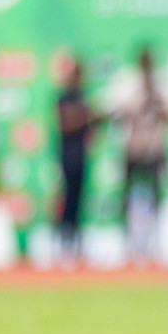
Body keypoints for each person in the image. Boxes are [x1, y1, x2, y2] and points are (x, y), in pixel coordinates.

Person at [111, 48, 168, 263]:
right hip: (133, 147)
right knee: (126, 194)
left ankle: (156, 241)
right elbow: (121, 111)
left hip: (155, 147)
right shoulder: (128, 82)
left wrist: (156, 99)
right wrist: (141, 96)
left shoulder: (163, 83)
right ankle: (128, 243)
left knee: (157, 194)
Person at [54, 59, 102, 263]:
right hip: (67, 154)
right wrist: (88, 117)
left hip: (81, 154)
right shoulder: (64, 98)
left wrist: (94, 120)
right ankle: (64, 237)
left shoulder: (83, 98)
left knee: (79, 196)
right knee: (68, 196)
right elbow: (67, 123)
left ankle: (76, 238)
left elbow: (91, 129)